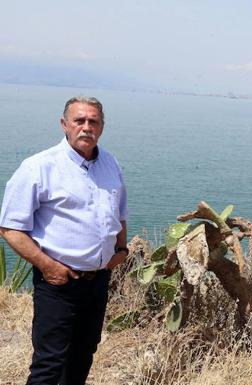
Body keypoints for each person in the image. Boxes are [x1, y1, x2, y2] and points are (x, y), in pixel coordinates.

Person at [0, 96, 129, 385]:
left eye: (93, 121)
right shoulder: (38, 167)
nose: (86, 127)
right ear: (64, 125)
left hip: (97, 281)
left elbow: (119, 211)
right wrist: (48, 266)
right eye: (79, 120)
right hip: (59, 283)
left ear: (102, 127)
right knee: (49, 363)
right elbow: (10, 228)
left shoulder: (110, 163)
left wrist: (121, 248)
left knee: (83, 354)